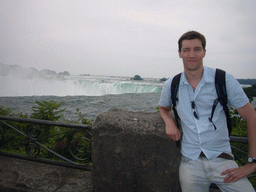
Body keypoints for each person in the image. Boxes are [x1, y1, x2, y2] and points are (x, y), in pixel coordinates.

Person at [159, 31, 256, 191]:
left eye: (197, 49)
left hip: (223, 161)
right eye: (186, 50)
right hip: (190, 163)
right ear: (179, 53)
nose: (192, 54)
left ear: (204, 52)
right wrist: (169, 121)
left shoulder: (223, 79)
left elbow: (251, 116)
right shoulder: (172, 84)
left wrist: (252, 163)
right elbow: (163, 108)